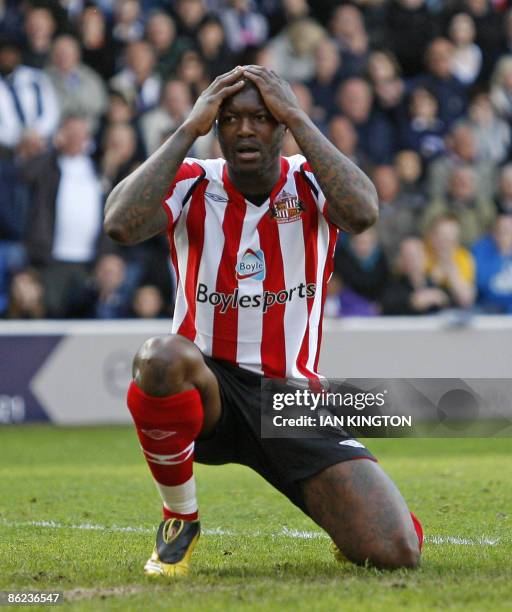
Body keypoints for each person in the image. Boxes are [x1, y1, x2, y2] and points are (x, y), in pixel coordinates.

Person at [104, 65, 422, 578]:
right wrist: (188, 128)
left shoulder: (312, 182)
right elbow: (119, 224)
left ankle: (369, 517)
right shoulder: (192, 182)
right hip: (211, 389)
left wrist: (298, 113)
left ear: (280, 127)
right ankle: (179, 519)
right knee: (160, 358)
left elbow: (363, 213)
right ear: (217, 127)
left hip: (290, 401)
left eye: (261, 117)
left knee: (395, 552)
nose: (245, 129)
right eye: (229, 119)